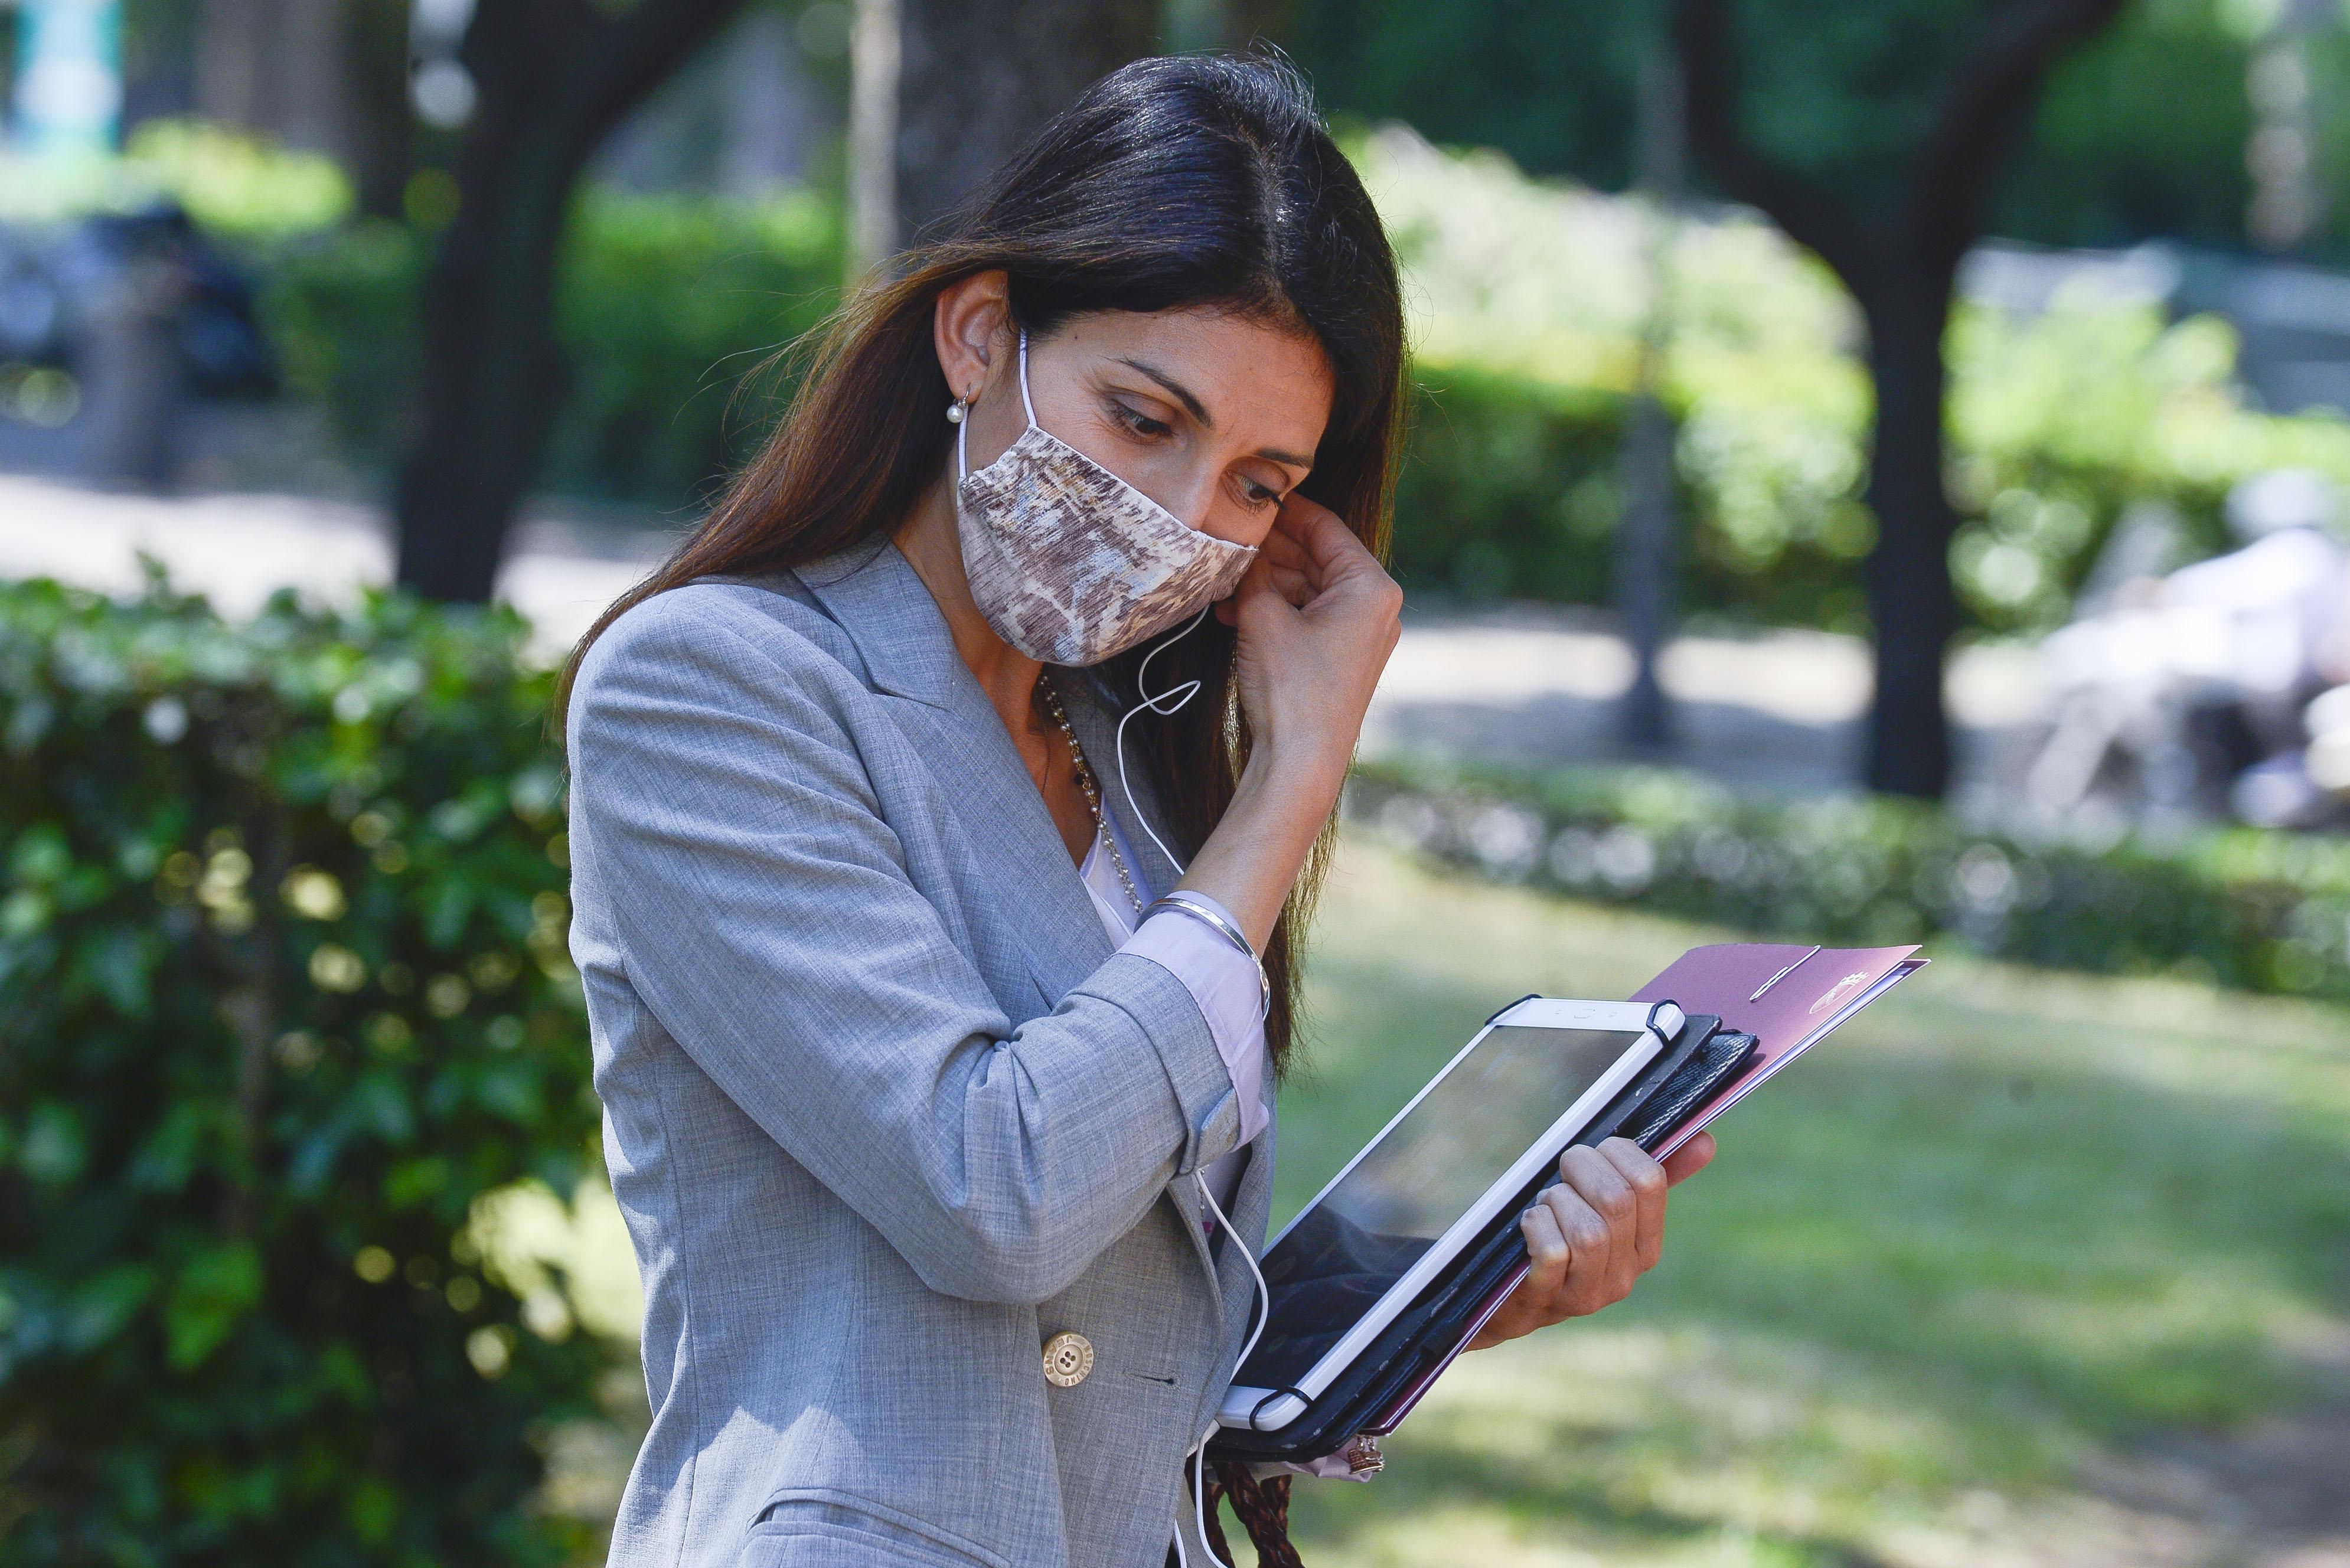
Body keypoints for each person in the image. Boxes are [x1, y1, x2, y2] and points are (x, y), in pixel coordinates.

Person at [557, 54, 1715, 1568]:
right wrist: (1293, 779)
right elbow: (994, 1191)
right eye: (1143, 417)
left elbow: (1124, 1321)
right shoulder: (713, 685)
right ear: (979, 334)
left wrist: (1445, 1296)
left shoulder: (1127, 737)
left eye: (1255, 482)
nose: (1179, 517)